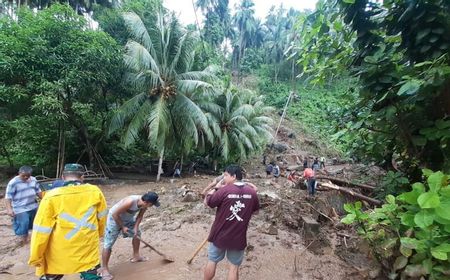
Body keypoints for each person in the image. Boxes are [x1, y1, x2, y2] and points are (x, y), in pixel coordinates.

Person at [28, 163, 107, 280]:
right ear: (82, 177)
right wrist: (98, 234)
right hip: (87, 246)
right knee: (91, 275)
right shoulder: (95, 191)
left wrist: (36, 256)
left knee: (52, 275)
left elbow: (41, 230)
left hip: (59, 250)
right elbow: (102, 218)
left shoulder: (51, 196)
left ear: (63, 177)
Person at [203, 165, 259, 280]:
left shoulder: (224, 190)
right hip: (238, 237)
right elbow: (255, 211)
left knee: (212, 261)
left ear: (233, 176)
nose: (224, 178)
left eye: (226, 175)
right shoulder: (252, 193)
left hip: (219, 235)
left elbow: (207, 202)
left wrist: (216, 188)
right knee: (234, 267)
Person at [100, 191, 160, 280]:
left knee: (137, 234)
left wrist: (135, 228)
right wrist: (123, 227)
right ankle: (104, 268)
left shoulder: (144, 204)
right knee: (108, 244)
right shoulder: (130, 201)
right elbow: (115, 214)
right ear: (147, 202)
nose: (151, 206)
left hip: (127, 219)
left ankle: (136, 256)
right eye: (152, 204)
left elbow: (139, 216)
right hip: (114, 220)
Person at [5, 165, 42, 245]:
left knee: (34, 223)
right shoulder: (13, 182)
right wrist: (9, 209)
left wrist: (45, 199)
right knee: (24, 223)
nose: (26, 177)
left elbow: (38, 191)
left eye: (28, 176)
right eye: (23, 175)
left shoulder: (33, 180)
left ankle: (32, 239)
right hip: (20, 208)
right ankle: (24, 241)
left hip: (33, 205)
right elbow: (8, 197)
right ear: (19, 173)